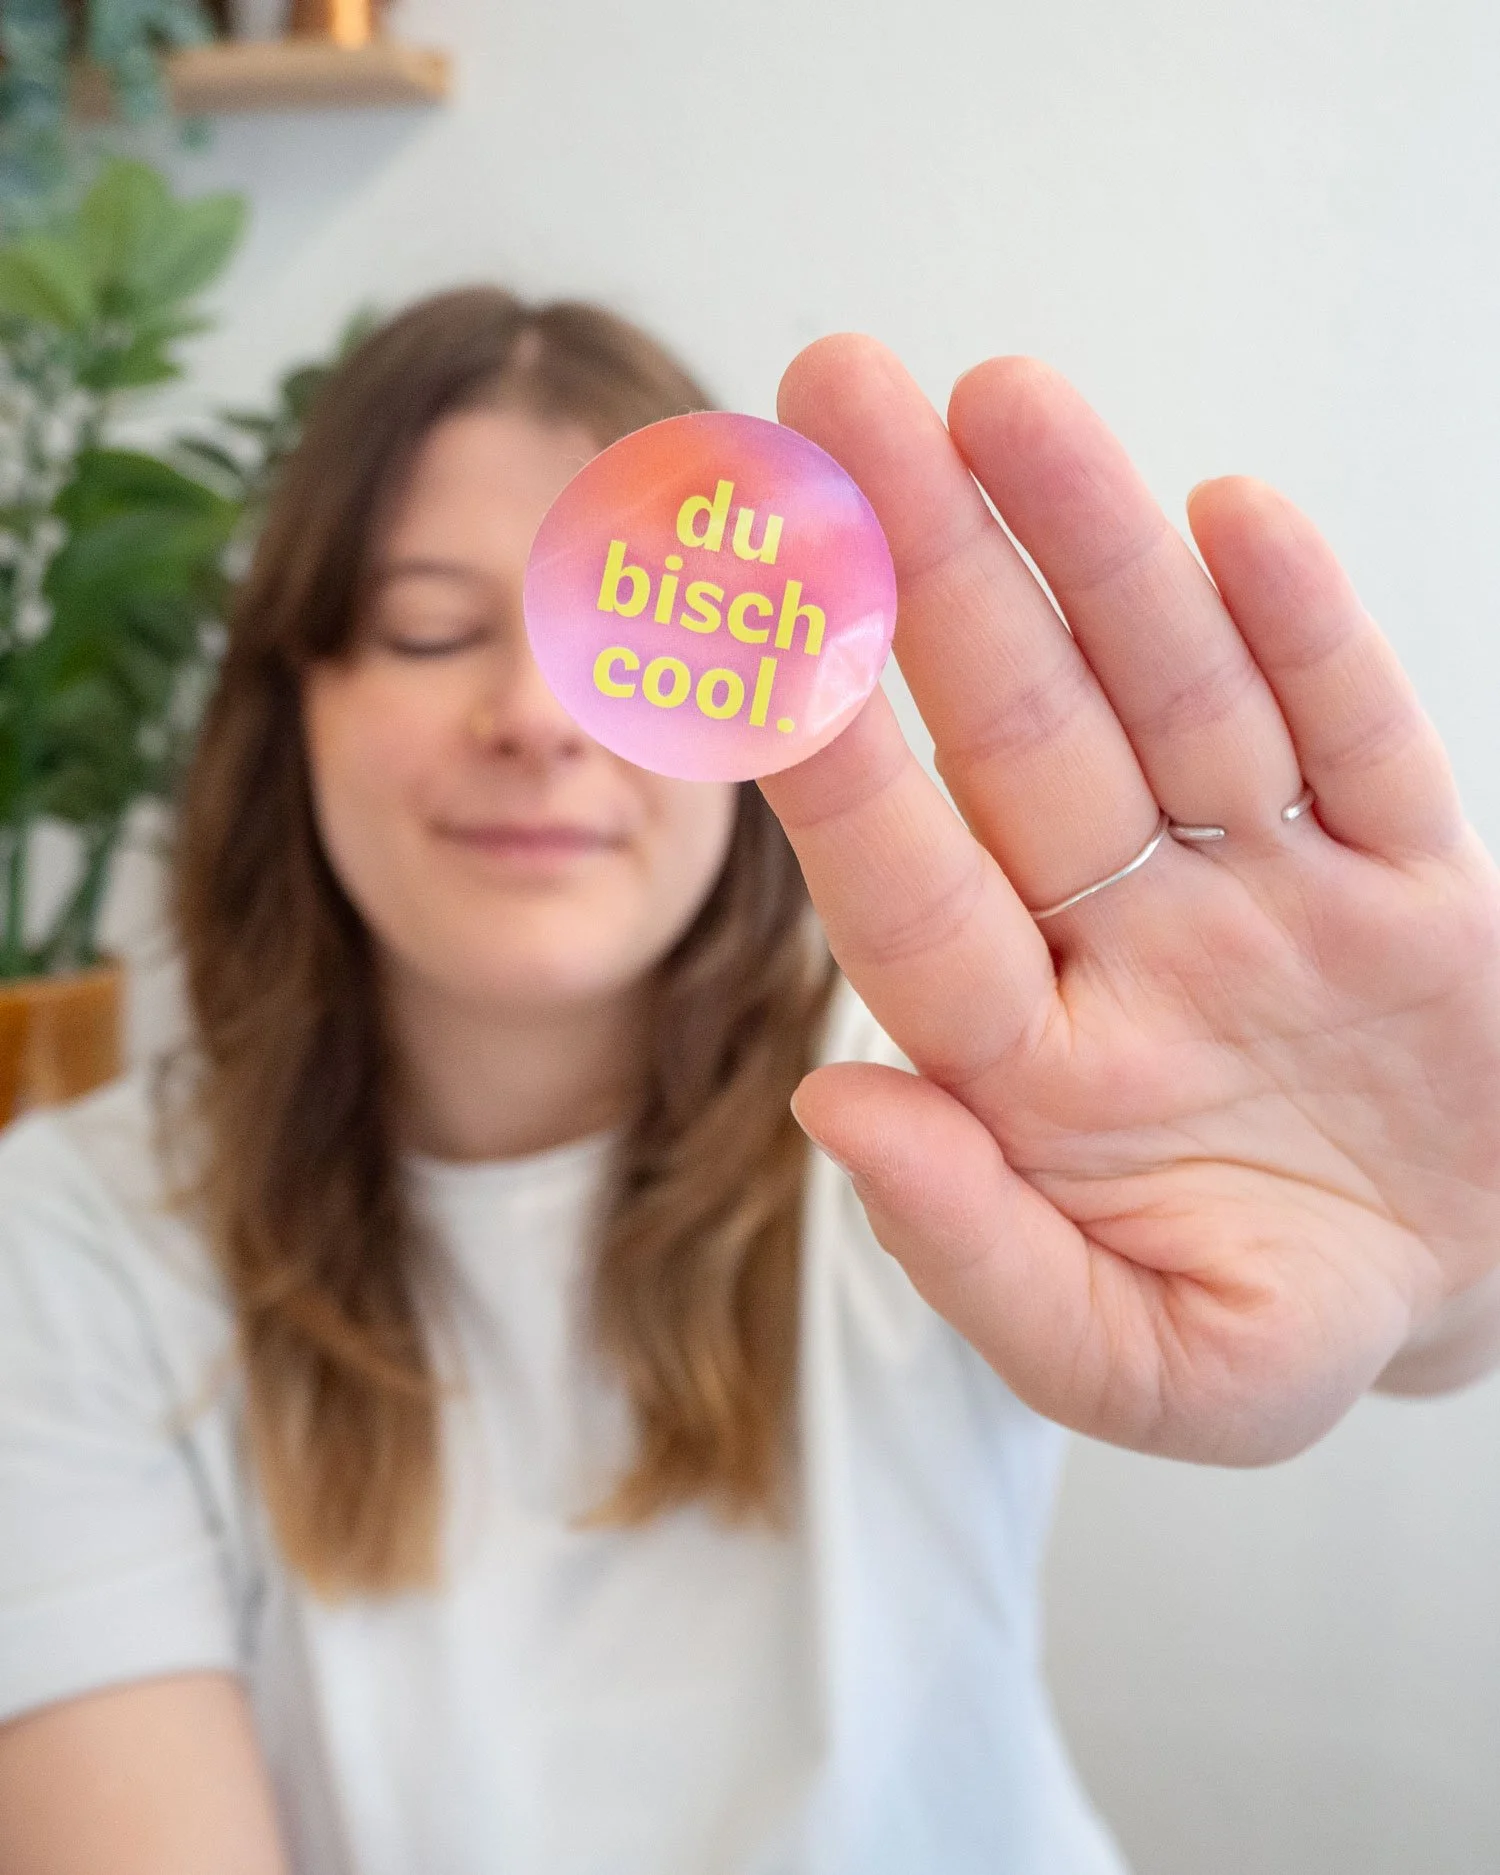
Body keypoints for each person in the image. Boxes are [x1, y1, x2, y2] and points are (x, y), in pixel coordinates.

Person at [2, 285, 1498, 1875]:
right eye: (429, 629)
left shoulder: (949, 1098)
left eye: (633, 620)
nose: (536, 718)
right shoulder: (71, 1243)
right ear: (287, 706)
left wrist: (1442, 1258)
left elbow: (1417, 1319)